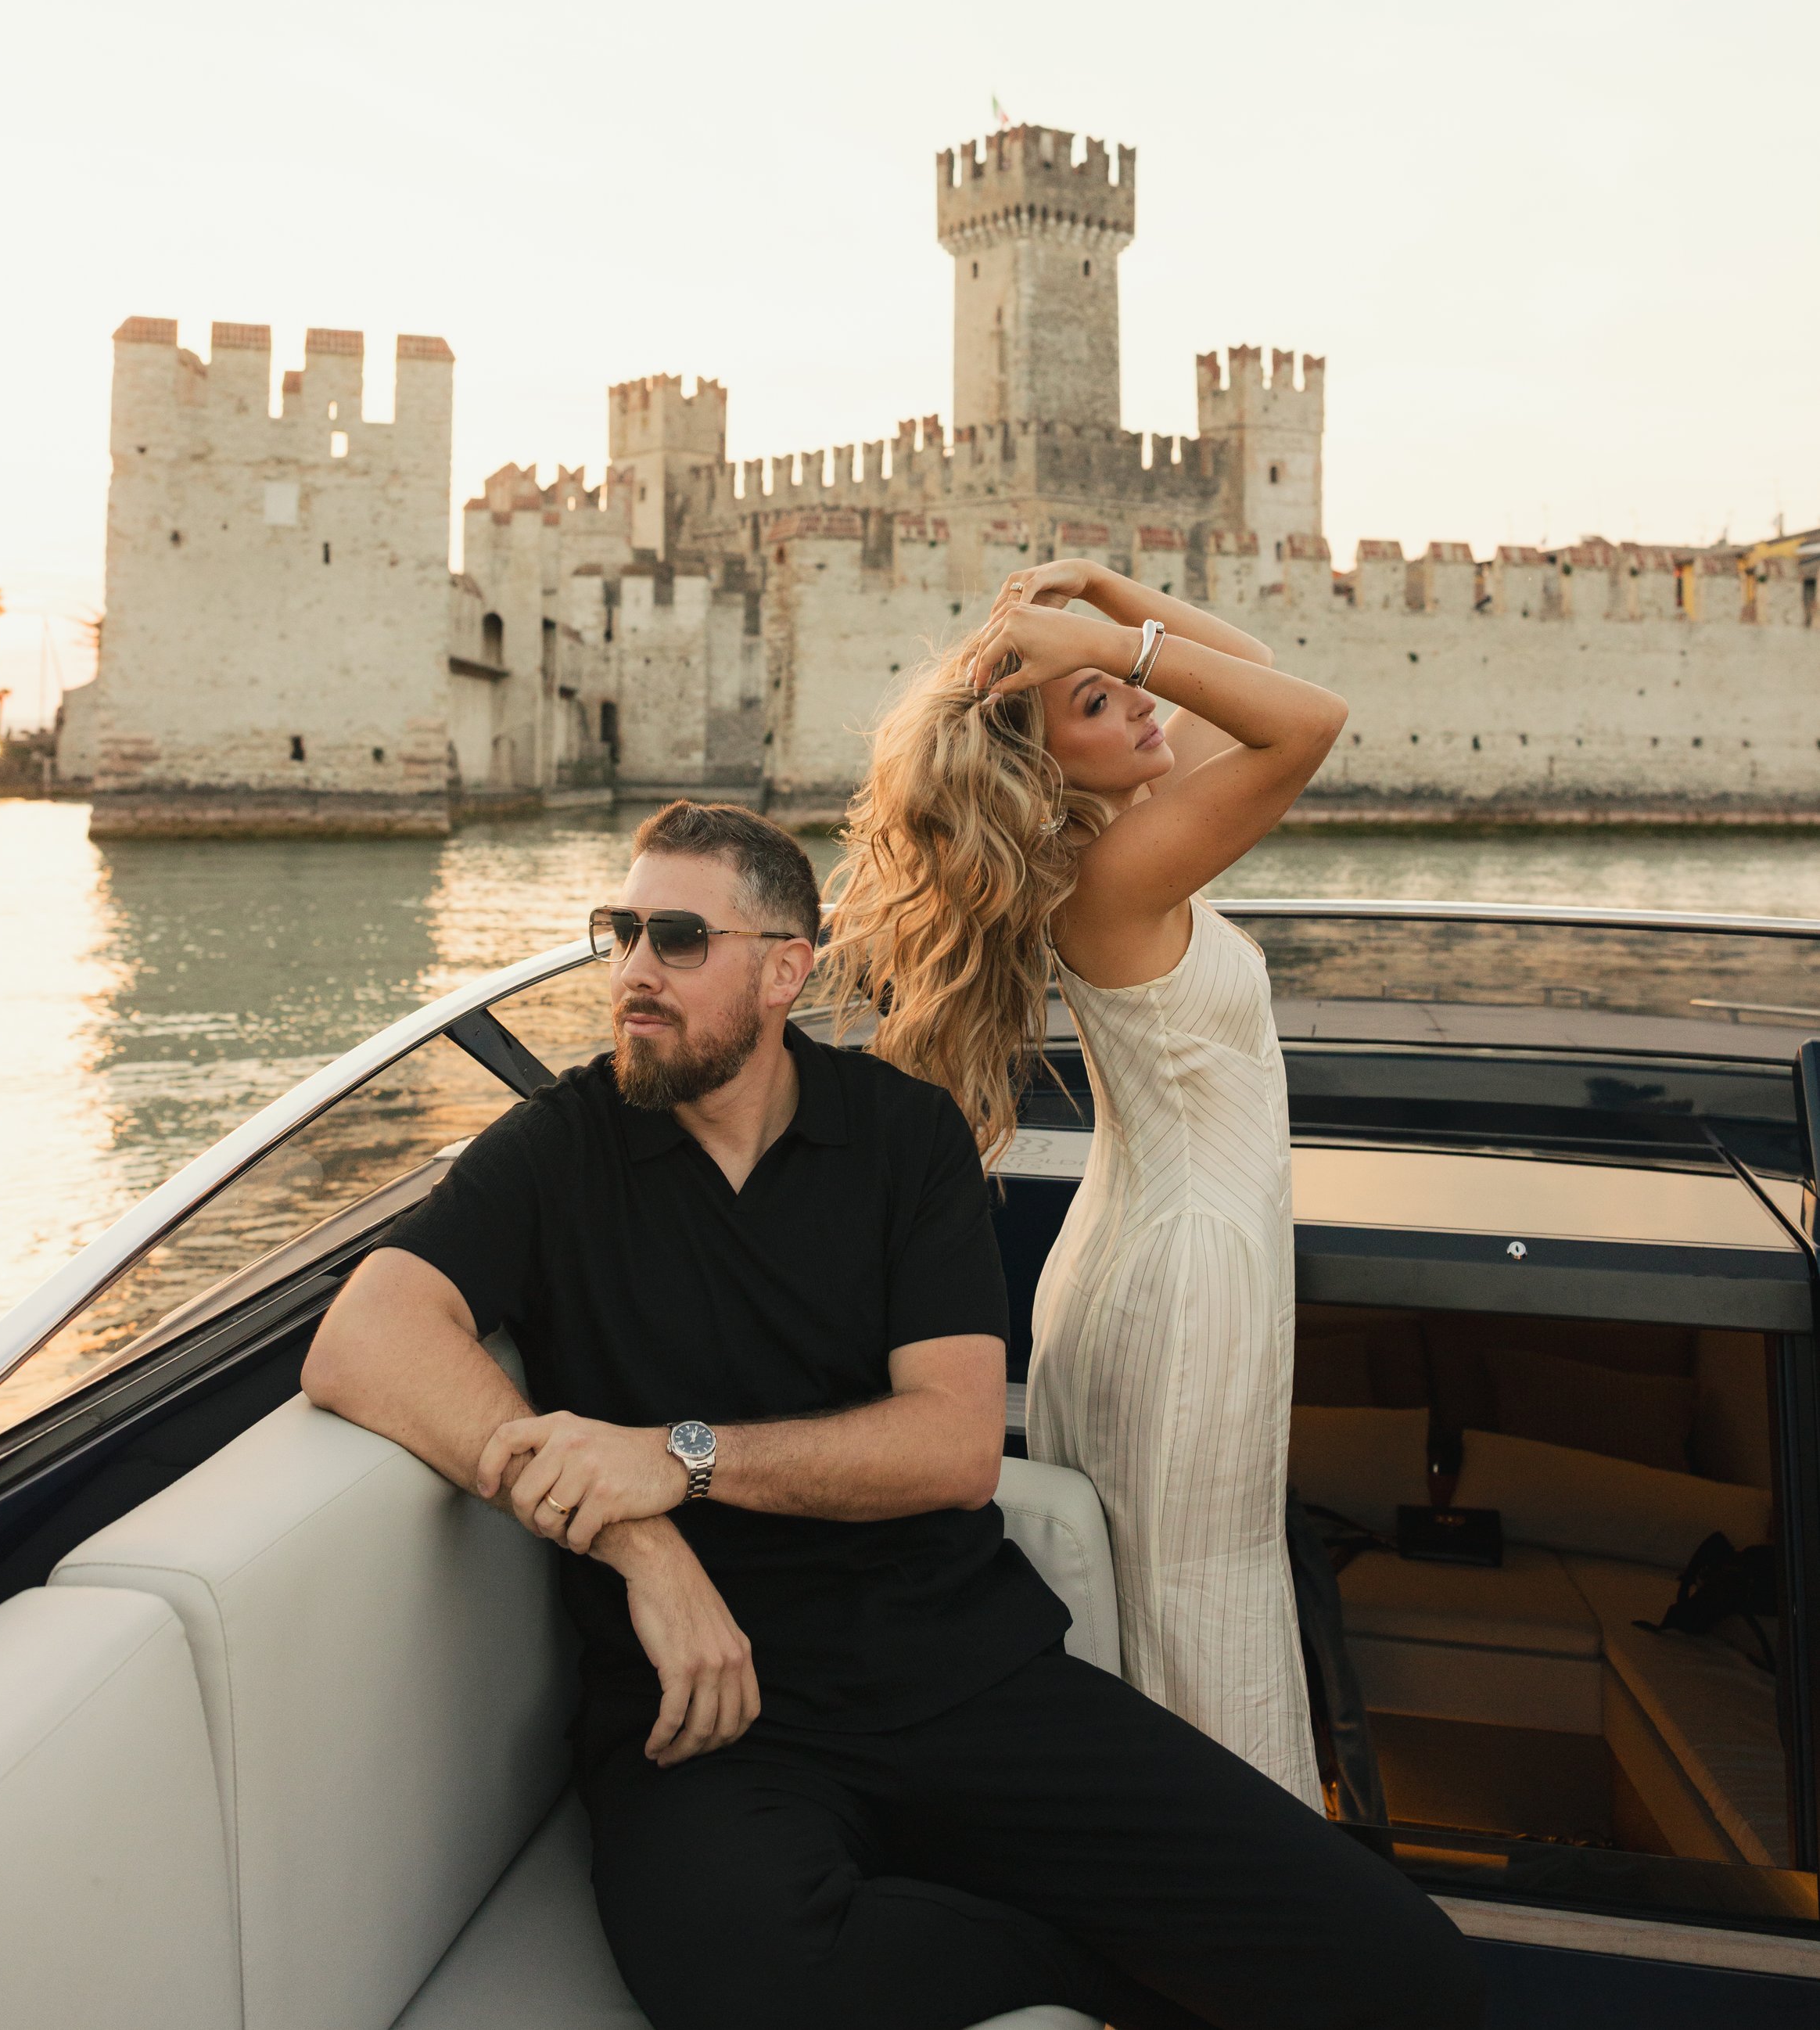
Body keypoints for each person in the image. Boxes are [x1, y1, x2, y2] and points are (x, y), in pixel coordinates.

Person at [303, 799, 1476, 2030]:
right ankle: (1084, 1969)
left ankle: (1066, 1958)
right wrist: (636, 1541)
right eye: (621, 933)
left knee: (1412, 1974)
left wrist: (677, 1461)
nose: (635, 973)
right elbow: (365, 1336)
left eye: (678, 939)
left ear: (783, 971)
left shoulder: (903, 1138)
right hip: (713, 1717)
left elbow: (954, 1445)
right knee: (747, 1978)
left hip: (960, 1676)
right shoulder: (563, 1146)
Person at [823, 562, 1345, 1807]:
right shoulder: (1114, 877)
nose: (1143, 712)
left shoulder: (1121, 843)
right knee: (1197, 1605)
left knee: (1167, 1594)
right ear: (1047, 768)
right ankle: (1245, 1918)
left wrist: (1108, 612)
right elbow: (1309, 720)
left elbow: (1261, 684)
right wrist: (1111, 642)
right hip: (1187, 1282)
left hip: (1154, 1252)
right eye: (1100, 706)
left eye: (1128, 695)